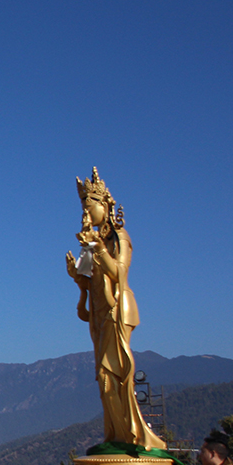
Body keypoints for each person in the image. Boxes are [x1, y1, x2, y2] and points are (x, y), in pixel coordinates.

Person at [65, 168, 165, 449]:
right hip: (99, 311)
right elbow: (87, 281)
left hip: (117, 308)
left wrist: (98, 248)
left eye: (89, 207)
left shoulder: (119, 237)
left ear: (104, 206)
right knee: (103, 376)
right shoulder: (92, 242)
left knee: (116, 373)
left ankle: (133, 435)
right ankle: (115, 433)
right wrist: (77, 276)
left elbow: (119, 272)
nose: (86, 213)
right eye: (83, 208)